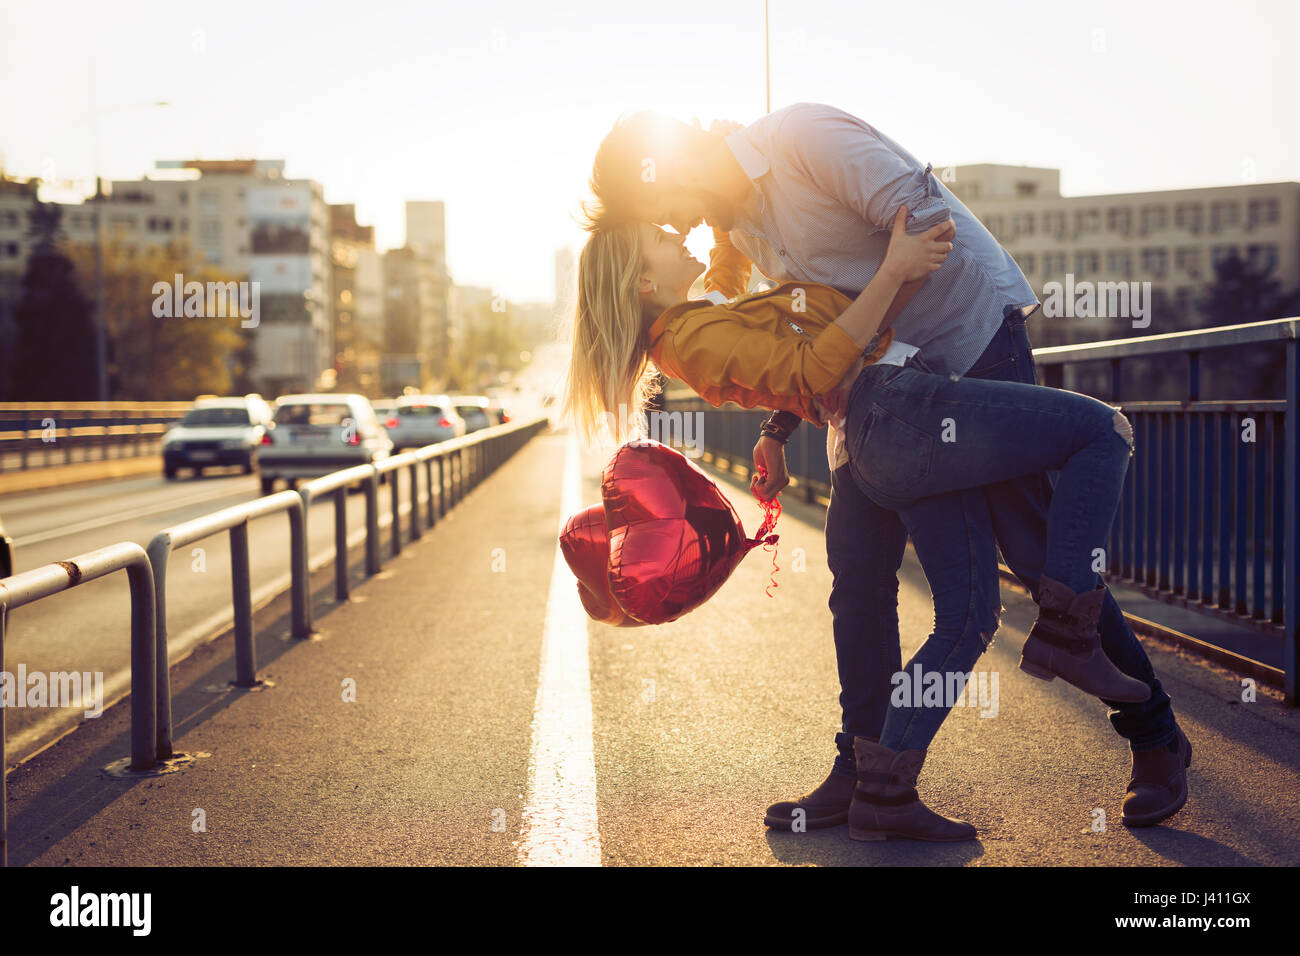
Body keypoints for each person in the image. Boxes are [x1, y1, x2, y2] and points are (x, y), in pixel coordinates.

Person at [571, 103, 1191, 836]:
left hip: (969, 346)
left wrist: (887, 293)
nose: (680, 227)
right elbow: (795, 338)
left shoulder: (804, 141)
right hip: (879, 392)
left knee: (1031, 552)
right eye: (661, 225)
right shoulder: (734, 225)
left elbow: (928, 220)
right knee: (858, 578)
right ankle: (865, 772)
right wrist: (778, 425)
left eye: (663, 208)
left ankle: (1153, 735)